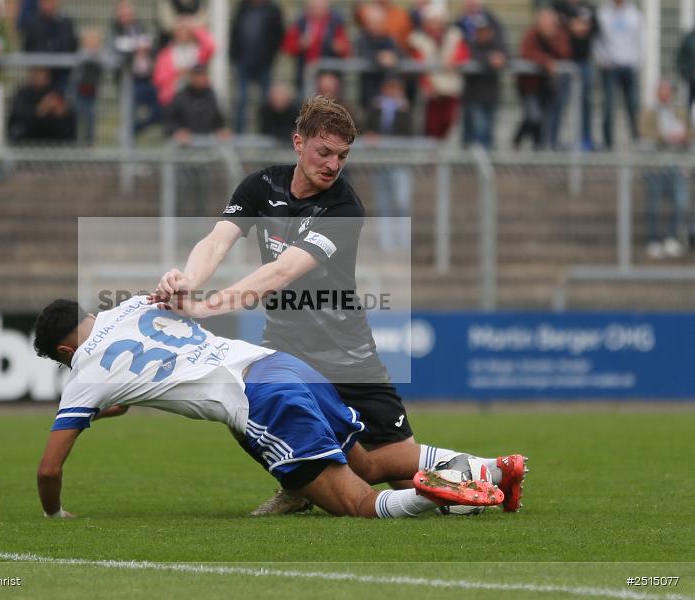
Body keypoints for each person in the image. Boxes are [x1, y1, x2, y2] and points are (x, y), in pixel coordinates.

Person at [152, 96, 527, 515]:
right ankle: (297, 488)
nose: (333, 164)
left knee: (390, 470)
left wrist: (206, 307)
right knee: (248, 406)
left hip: (345, 354)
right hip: (287, 346)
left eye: (343, 156)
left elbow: (282, 272)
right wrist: (188, 280)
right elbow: (216, 241)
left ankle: (494, 473)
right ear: (299, 143)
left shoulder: (343, 208)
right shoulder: (262, 186)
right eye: (324, 152)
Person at [32, 296, 505, 519]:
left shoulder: (84, 372)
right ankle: (494, 472)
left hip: (261, 401)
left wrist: (54, 514)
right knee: (367, 461)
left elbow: (49, 471)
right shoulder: (135, 304)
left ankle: (435, 494)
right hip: (282, 366)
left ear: (65, 354)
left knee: (356, 503)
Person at [164, 64, 230, 216]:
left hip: (204, 155)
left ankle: (198, 223)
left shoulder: (211, 96)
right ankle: (178, 225)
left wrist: (220, 131)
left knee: (202, 192)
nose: (201, 79)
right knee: (181, 192)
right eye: (198, 76)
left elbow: (218, 121)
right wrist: (177, 132)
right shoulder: (181, 96)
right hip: (183, 155)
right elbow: (169, 122)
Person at [639, 81, 689, 260]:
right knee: (653, 204)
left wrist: (683, 136)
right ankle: (653, 239)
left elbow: (689, 132)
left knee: (680, 202)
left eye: (668, 92)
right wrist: (667, 136)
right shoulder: (649, 111)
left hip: (675, 164)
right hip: (655, 165)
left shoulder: (680, 111)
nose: (665, 95)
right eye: (662, 92)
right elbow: (645, 132)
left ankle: (672, 237)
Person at [364, 75, 414, 251]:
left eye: (395, 88)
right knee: (383, 202)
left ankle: (403, 242)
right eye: (389, 88)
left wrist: (401, 111)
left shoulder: (405, 110)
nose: (392, 92)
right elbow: (368, 129)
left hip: (399, 161)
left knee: (402, 201)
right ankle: (387, 244)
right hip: (380, 161)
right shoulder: (375, 108)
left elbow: (408, 133)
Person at [514, 8, 571, 150]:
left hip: (548, 85)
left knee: (544, 118)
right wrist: (546, 61)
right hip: (529, 85)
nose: (546, 24)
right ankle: (518, 138)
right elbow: (526, 53)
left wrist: (552, 40)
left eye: (549, 21)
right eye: (543, 21)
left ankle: (537, 148)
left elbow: (566, 53)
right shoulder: (531, 34)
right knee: (534, 116)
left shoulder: (559, 35)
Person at [408, 4, 468, 139]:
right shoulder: (418, 39)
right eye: (433, 22)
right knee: (430, 129)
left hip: (451, 88)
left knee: (448, 126)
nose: (436, 26)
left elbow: (462, 55)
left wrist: (454, 61)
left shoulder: (454, 36)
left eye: (438, 22)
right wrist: (428, 85)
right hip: (432, 92)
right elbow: (418, 63)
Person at [229, 0, 284, 134]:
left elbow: (279, 35)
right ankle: (238, 135)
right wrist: (234, 55)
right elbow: (235, 32)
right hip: (243, 62)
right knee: (241, 100)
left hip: (264, 64)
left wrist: (270, 56)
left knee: (266, 102)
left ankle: (265, 133)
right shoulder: (242, 8)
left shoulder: (273, 10)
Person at [593, 0, 641, 149]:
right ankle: (608, 143)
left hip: (628, 66)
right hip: (610, 67)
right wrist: (602, 60)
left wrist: (635, 62)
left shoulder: (635, 14)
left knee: (632, 106)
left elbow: (641, 40)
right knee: (608, 106)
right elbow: (596, 40)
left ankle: (636, 140)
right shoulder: (603, 14)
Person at [554, 0, 599, 151]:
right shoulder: (557, 7)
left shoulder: (589, 8)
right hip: (564, 63)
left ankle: (585, 140)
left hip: (584, 63)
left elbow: (596, 29)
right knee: (560, 102)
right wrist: (572, 26)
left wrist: (579, 26)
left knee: (586, 103)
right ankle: (554, 141)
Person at [111, 0, 161, 136]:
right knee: (129, 112)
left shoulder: (141, 27)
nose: (127, 14)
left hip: (146, 78)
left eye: (129, 11)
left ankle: (130, 132)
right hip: (129, 80)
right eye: (123, 11)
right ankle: (128, 140)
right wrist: (136, 48)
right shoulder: (114, 30)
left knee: (159, 112)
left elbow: (150, 45)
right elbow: (117, 51)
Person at [282, 0, 352, 95]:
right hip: (304, 71)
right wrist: (300, 44)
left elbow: (346, 49)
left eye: (321, 7)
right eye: (314, 7)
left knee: (328, 86)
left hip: (329, 71)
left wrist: (338, 47)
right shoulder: (300, 23)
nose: (318, 10)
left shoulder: (335, 23)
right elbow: (288, 47)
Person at [462, 17, 508, 149]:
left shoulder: (497, 45)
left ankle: (485, 164)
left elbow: (508, 57)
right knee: (478, 131)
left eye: (486, 31)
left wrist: (502, 60)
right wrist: (489, 60)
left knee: (488, 132)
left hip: (491, 96)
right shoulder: (471, 45)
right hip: (474, 96)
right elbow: (470, 57)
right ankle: (475, 163)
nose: (483, 34)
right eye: (480, 31)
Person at [152, 17, 215, 108]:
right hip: (173, 98)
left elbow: (211, 46)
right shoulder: (165, 54)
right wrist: (178, 73)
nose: (182, 34)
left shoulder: (197, 51)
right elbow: (158, 79)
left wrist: (193, 27)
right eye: (179, 31)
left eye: (185, 31)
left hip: (195, 97)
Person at [356, 2, 406, 112]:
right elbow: (363, 54)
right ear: (367, 24)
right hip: (370, 93)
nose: (376, 26)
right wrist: (378, 57)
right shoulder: (362, 40)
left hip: (389, 92)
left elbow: (400, 54)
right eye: (373, 22)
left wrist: (393, 57)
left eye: (379, 22)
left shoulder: (389, 39)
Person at [8, 67, 76, 143]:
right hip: (27, 138)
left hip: (51, 140)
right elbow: (17, 116)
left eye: (43, 73)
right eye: (37, 73)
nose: (40, 76)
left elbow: (66, 119)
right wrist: (40, 110)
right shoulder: (23, 93)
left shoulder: (55, 92)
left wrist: (61, 113)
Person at [22, 0, 78, 92]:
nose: (48, 5)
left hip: (62, 77)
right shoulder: (32, 23)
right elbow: (27, 47)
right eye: (45, 2)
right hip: (39, 78)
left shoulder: (66, 22)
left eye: (51, 2)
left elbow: (72, 46)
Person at [74, 28, 103, 144]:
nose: (92, 45)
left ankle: (89, 144)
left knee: (91, 119)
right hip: (79, 90)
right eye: (89, 42)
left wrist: (96, 55)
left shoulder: (99, 55)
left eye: (94, 42)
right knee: (79, 117)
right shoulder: (81, 54)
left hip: (92, 92)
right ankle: (77, 142)